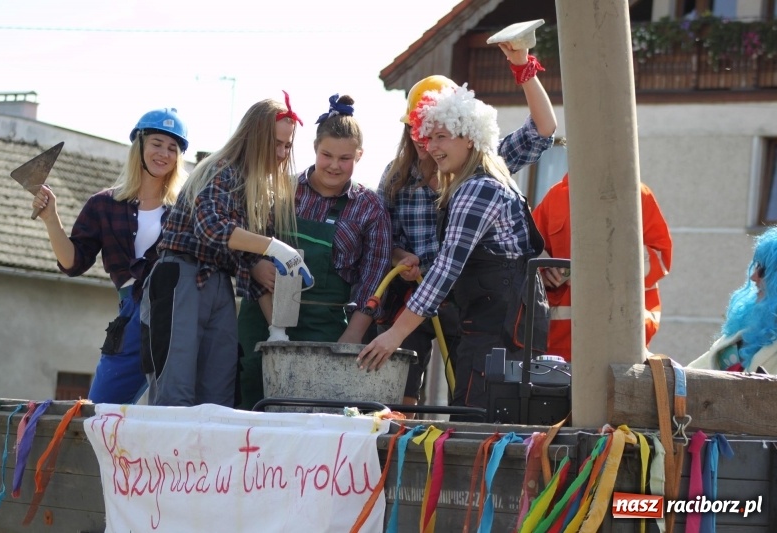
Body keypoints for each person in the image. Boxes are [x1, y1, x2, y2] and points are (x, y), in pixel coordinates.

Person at [375, 41, 557, 407]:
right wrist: (400, 259)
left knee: (475, 401)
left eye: (440, 135)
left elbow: (543, 129)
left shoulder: (479, 180)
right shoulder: (399, 178)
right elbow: (383, 241)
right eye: (423, 133)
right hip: (426, 296)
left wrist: (522, 66)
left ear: (467, 133)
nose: (430, 144)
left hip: (475, 305)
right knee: (406, 390)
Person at [141, 93, 311, 408]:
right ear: (254, 137)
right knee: (175, 395)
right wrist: (274, 247)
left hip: (220, 285)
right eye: (275, 143)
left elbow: (247, 260)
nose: (281, 153)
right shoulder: (222, 169)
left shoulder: (263, 190)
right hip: (181, 277)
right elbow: (212, 228)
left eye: (287, 145)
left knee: (218, 399)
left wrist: (277, 331)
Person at [237, 94, 392, 410]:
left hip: (327, 331)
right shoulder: (279, 189)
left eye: (345, 158)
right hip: (262, 322)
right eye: (327, 155)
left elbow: (373, 283)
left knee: (314, 416)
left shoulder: (370, 208)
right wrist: (256, 271)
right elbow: (245, 248)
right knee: (252, 406)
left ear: (359, 156)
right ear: (314, 149)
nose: (334, 165)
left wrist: (350, 340)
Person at [32, 108, 189, 404]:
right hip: (131, 314)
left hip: (178, 312)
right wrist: (51, 218)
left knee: (175, 410)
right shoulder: (104, 204)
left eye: (173, 148)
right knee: (101, 409)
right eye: (157, 143)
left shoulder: (186, 207)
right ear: (139, 145)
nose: (164, 154)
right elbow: (73, 263)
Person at [532, 172, 673, 361]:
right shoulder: (556, 196)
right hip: (562, 345)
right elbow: (531, 250)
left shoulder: (637, 195)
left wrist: (609, 262)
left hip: (623, 338)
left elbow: (660, 258)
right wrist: (545, 274)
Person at [688, 227, 777, 373]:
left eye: (763, 269)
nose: (753, 276)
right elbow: (690, 374)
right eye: (756, 267)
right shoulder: (746, 326)